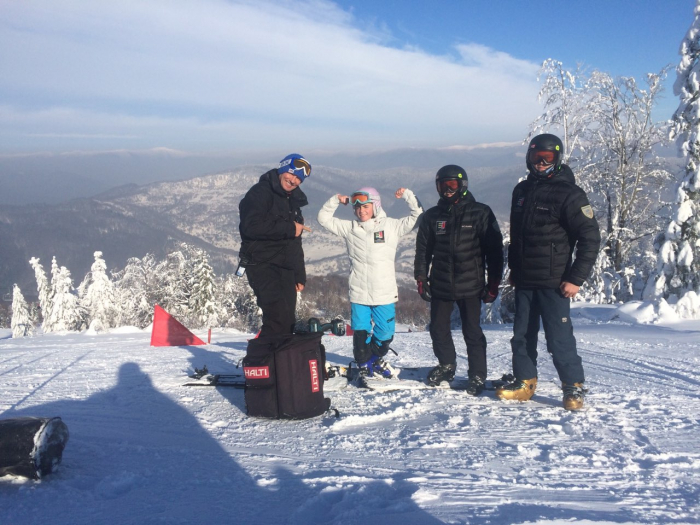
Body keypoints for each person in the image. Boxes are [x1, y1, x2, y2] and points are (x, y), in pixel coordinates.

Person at [496, 133, 600, 410]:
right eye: (536, 157)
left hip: (555, 281)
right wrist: (514, 270)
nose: (541, 163)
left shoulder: (570, 194)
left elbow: (590, 238)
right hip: (525, 279)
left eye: (547, 158)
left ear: (558, 159)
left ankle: (573, 387)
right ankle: (524, 381)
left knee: (558, 336)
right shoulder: (522, 191)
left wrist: (575, 278)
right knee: (521, 334)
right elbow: (517, 237)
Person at [414, 165, 504, 396]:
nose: (447, 190)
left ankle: (477, 374)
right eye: (442, 185)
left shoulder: (480, 212)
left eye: (452, 185)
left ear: (463, 185)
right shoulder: (432, 216)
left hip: (471, 284)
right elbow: (423, 249)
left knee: (472, 331)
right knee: (438, 329)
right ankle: (447, 365)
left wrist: (494, 282)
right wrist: (421, 277)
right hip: (441, 283)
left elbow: (494, 251)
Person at [317, 186, 422, 378]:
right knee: (360, 335)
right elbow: (323, 219)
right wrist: (335, 200)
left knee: (385, 334)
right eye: (357, 208)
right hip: (359, 293)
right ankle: (364, 363)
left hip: (384, 292)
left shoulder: (390, 226)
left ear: (375, 205)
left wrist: (407, 195)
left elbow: (417, 216)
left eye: (366, 206)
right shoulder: (350, 228)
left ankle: (374, 358)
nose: (361, 211)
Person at [238, 153, 312, 337]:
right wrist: (289, 228)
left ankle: (279, 362)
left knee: (288, 321)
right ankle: (262, 360)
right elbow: (250, 226)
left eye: (298, 178)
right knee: (277, 318)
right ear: (283, 168)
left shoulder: (292, 200)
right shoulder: (260, 193)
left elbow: (295, 241)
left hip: (285, 266)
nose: (293, 180)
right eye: (291, 174)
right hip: (261, 264)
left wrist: (299, 275)